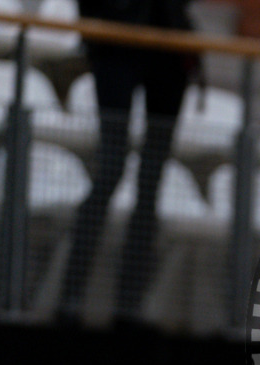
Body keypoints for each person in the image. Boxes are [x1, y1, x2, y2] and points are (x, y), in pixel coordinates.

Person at [59, 0, 195, 325]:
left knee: (151, 183)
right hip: (116, 41)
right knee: (110, 170)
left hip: (169, 46)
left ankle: (129, 306)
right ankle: (70, 298)